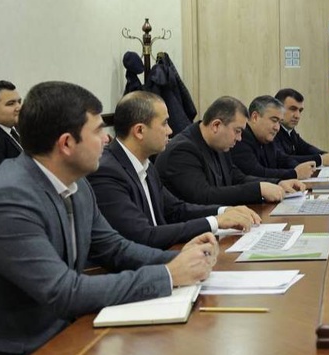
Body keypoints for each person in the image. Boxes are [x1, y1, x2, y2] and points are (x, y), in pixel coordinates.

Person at [0, 81, 216, 355]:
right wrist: (167, 275)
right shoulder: (7, 198)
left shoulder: (77, 185)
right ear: (67, 143)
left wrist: (182, 261)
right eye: (98, 131)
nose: (107, 139)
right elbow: (63, 291)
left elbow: (114, 248)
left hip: (45, 341)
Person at [89, 92, 261, 250]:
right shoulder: (107, 172)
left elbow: (176, 210)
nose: (170, 130)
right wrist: (215, 222)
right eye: (164, 123)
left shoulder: (145, 165)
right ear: (140, 131)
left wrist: (224, 212)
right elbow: (144, 235)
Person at [155, 96, 303, 206]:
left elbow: (235, 176)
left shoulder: (219, 144)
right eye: (237, 131)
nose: (239, 138)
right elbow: (204, 196)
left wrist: (278, 183)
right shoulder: (182, 151)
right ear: (216, 125)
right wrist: (258, 190)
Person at [230, 95, 317, 181]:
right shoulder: (240, 138)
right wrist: (294, 173)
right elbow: (256, 173)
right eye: (274, 120)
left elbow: (283, 159)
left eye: (279, 122)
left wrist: (298, 167)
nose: (277, 128)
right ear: (255, 117)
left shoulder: (266, 138)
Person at [273, 88, 329, 166]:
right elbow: (283, 160)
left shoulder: (289, 131)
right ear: (278, 109)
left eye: (300, 111)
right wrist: (321, 159)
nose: (297, 116)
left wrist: (327, 155)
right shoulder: (273, 132)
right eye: (292, 109)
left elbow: (306, 148)